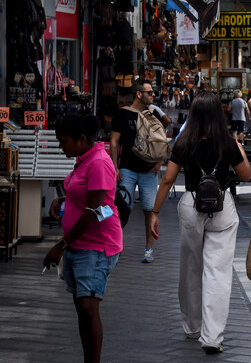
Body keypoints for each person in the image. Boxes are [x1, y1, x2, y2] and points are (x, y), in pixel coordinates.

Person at [149, 93, 250, 354]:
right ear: (219, 113)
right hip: (222, 208)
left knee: (191, 268)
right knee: (218, 272)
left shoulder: (184, 142)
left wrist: (155, 212)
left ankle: (193, 327)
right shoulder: (227, 142)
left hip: (191, 205)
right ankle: (212, 337)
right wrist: (237, 148)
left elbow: (168, 180)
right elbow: (246, 175)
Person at [43, 114, 122, 363]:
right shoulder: (83, 159)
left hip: (97, 245)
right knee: (82, 307)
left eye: (63, 141)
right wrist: (63, 200)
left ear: (82, 139)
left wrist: (60, 245)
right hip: (79, 243)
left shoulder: (98, 162)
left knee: (88, 306)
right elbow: (85, 195)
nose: (60, 146)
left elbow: (95, 210)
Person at [110, 78, 163, 263]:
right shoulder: (123, 114)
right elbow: (114, 142)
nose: (153, 95)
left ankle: (149, 248)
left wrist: (160, 161)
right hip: (127, 169)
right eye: (150, 92)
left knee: (150, 210)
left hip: (149, 171)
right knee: (122, 208)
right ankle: (115, 245)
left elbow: (163, 138)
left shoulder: (154, 113)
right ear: (139, 94)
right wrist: (115, 166)